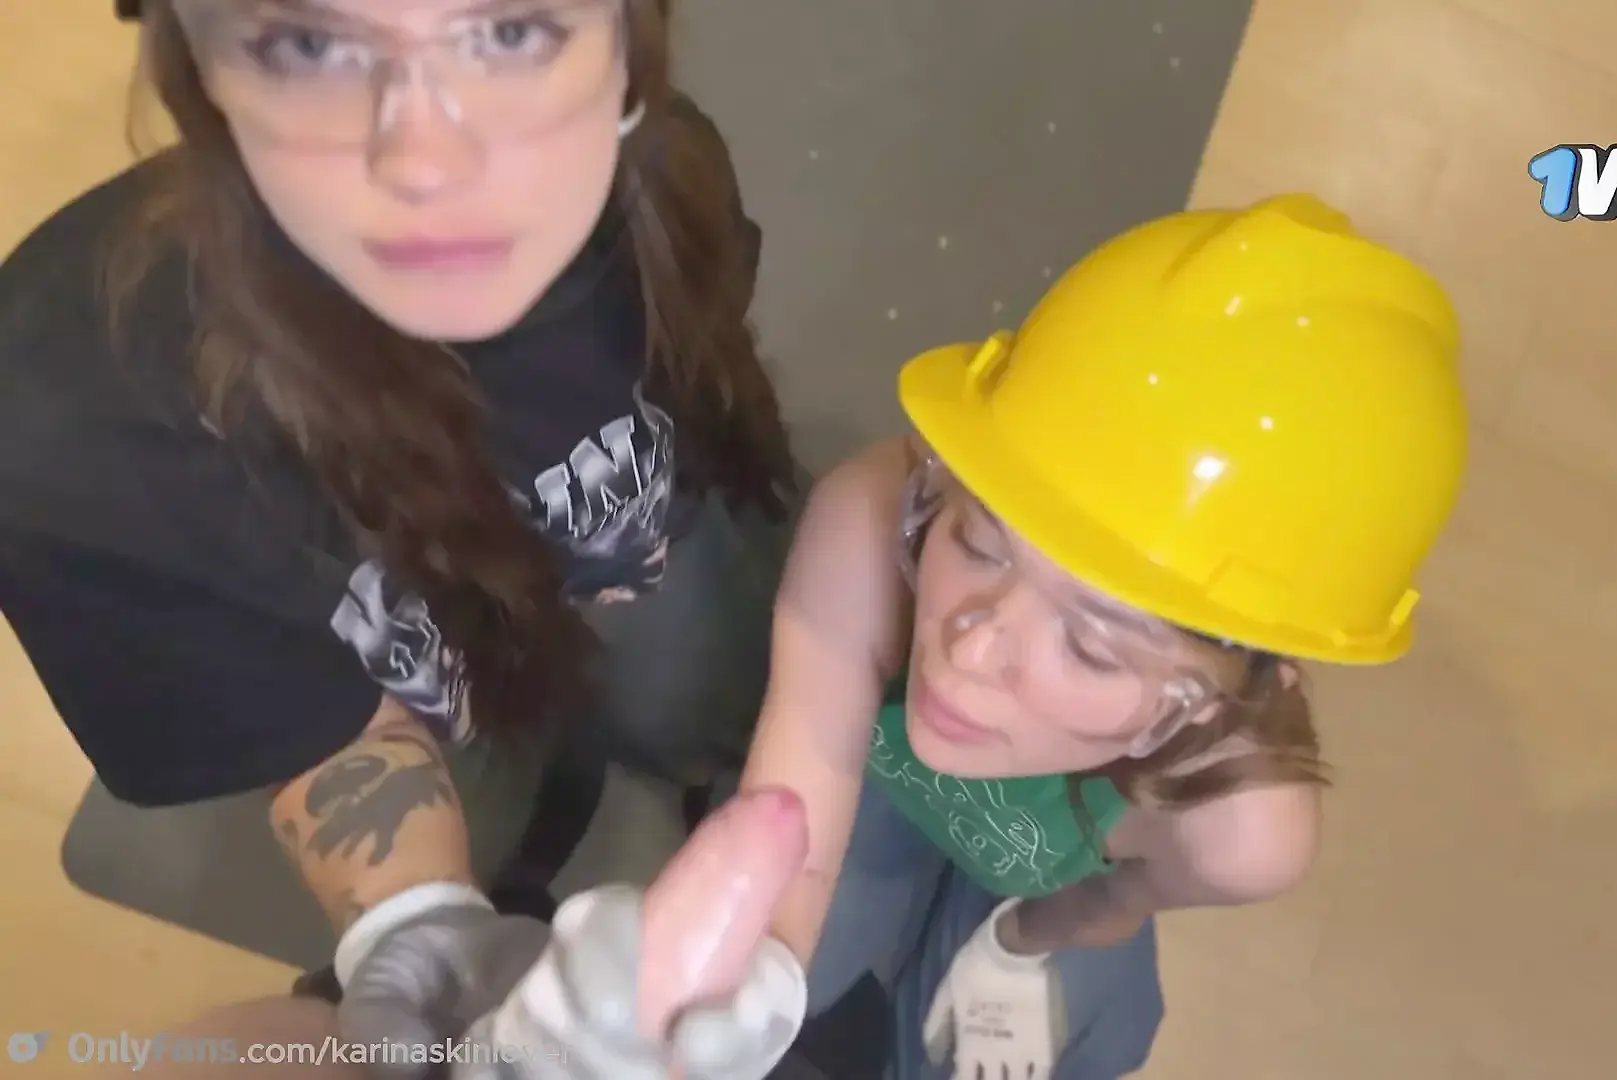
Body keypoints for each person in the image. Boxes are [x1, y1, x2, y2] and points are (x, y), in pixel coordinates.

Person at [2, 0, 797, 1053]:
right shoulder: (71, 417)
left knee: (701, 696)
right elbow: (306, 721)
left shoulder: (658, 187)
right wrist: (419, 925)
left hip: (651, 560)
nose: (427, 162)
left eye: (509, 30)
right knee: (494, 808)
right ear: (195, 67)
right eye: (310, 44)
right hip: (415, 706)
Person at [728, 191, 1471, 1078]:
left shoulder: (1241, 835)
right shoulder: (870, 520)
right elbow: (794, 800)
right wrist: (735, 994)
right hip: (873, 795)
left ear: (1210, 706)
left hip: (1040, 877)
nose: (969, 649)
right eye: (978, 543)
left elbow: (1110, 904)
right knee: (782, 990)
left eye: (1090, 646)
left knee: (1098, 1040)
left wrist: (1015, 949)